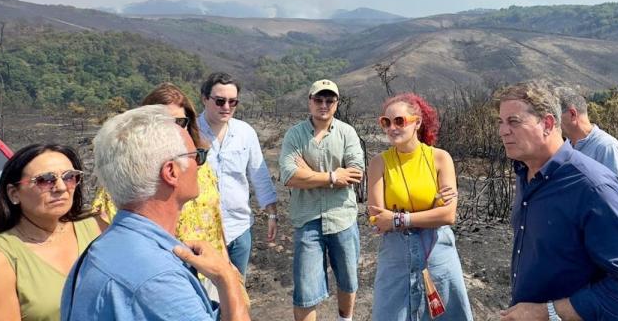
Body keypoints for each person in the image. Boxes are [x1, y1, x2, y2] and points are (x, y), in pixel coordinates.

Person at [61, 105, 250, 321]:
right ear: (171, 172)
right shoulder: (158, 279)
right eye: (196, 156)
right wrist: (227, 278)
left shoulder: (99, 250)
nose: (200, 166)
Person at [496, 81, 618, 321]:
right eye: (501, 122)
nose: (503, 131)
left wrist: (544, 313)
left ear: (547, 123)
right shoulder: (526, 174)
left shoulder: (594, 188)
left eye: (514, 122)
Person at [92, 83, 229, 297]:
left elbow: (215, 220)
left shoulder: (200, 166)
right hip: (158, 279)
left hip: (208, 274)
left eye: (179, 122)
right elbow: (105, 232)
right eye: (163, 123)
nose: (173, 130)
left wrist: (227, 269)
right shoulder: (129, 173)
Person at [367, 93, 474, 321]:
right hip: (396, 254)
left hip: (437, 251)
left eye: (399, 121)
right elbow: (377, 217)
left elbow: (448, 215)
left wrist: (398, 219)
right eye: (386, 122)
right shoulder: (378, 163)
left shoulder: (440, 158)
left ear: (417, 122)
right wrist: (431, 210)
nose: (392, 128)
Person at [0, 143, 100, 321]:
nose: (61, 187)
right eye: (45, 180)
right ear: (14, 193)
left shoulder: (97, 228)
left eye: (69, 177)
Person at [278, 79, 364, 321]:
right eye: (319, 99)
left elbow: (356, 172)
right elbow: (289, 176)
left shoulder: (347, 132)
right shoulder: (295, 135)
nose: (324, 104)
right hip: (307, 219)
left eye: (329, 100)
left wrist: (308, 171)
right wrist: (332, 176)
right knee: (305, 290)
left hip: (342, 217)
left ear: (336, 104)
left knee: (348, 280)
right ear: (310, 101)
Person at [197, 72, 278, 277]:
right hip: (200, 230)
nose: (226, 107)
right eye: (220, 101)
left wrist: (272, 213)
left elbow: (259, 174)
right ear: (205, 99)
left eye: (232, 102)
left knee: (235, 291)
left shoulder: (245, 132)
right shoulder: (191, 133)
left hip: (239, 228)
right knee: (203, 295)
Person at [555, 86, 618, 203]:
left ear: (572, 114)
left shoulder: (607, 148)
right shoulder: (566, 147)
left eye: (555, 116)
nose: (552, 122)